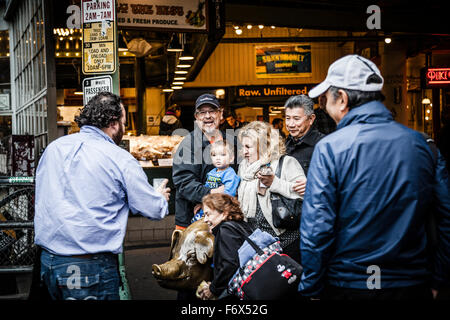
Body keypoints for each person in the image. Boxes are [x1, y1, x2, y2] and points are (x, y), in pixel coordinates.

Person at [299, 54, 450, 300]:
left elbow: (317, 229)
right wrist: (439, 280)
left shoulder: (330, 149)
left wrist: (311, 290)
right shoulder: (424, 146)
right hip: (411, 284)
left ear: (343, 99)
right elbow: (446, 219)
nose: (324, 105)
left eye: (326, 98)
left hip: (349, 284)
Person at [34, 92, 171, 300]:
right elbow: (153, 209)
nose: (124, 129)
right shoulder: (119, 158)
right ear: (114, 123)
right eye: (124, 123)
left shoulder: (53, 149)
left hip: (47, 263)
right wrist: (160, 196)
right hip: (89, 267)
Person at [237, 121, 306, 263]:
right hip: (258, 243)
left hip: (287, 241)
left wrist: (275, 183)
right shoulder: (244, 168)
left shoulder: (286, 163)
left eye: (248, 147)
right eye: (242, 147)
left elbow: (305, 195)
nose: (244, 152)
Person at [172, 93, 236, 230]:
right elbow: (184, 183)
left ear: (221, 114)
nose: (207, 116)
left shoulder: (232, 142)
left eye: (212, 111)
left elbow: (239, 176)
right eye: (202, 112)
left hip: (225, 217)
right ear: (196, 117)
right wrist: (211, 195)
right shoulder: (188, 144)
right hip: (192, 221)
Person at [197, 193, 253, 300]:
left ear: (224, 213)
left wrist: (213, 289)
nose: (205, 220)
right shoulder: (241, 225)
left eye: (208, 214)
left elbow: (230, 264)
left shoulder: (226, 230)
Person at [191, 140, 241, 223]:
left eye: (223, 155)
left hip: (221, 210)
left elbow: (228, 195)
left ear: (231, 158)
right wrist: (202, 203)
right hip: (209, 207)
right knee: (196, 224)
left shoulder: (230, 174)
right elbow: (206, 190)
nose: (218, 158)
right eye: (214, 155)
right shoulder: (211, 172)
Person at [284, 95, 324, 176]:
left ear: (311, 119)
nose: (291, 124)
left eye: (296, 119)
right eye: (288, 118)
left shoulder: (323, 145)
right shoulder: (284, 145)